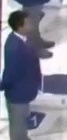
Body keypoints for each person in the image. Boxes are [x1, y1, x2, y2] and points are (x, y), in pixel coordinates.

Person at [0, 11, 41, 140]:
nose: (31, 24)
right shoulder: (14, 47)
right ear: (19, 26)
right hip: (17, 96)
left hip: (24, 92)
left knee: (22, 126)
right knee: (18, 131)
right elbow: (10, 74)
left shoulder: (22, 40)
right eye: (28, 23)